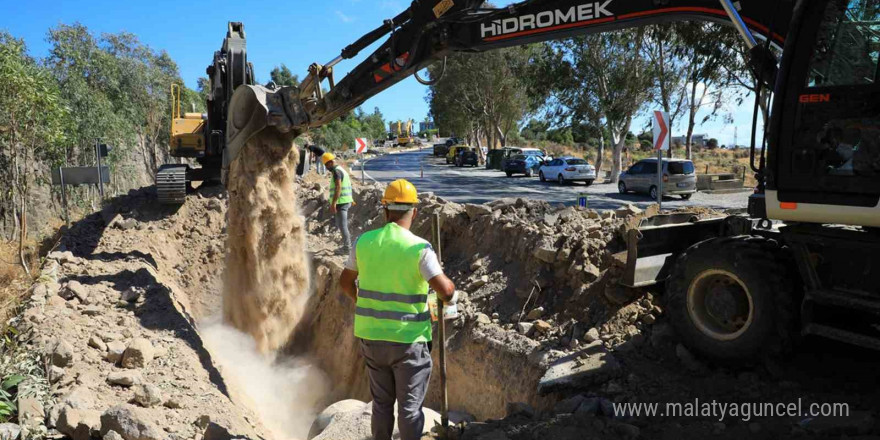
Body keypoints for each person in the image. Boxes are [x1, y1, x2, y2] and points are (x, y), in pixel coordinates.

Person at [339, 179, 457, 440]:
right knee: (409, 410)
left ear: (385, 210)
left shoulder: (364, 242)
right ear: (414, 212)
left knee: (381, 405)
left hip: (372, 338)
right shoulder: (419, 248)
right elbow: (446, 293)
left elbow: (345, 282)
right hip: (408, 341)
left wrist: (365, 303)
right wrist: (447, 285)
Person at [322, 152, 353, 254]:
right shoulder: (341, 169)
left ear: (330, 162)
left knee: (343, 225)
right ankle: (347, 246)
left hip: (341, 202)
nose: (326, 167)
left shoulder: (336, 172)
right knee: (341, 224)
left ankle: (347, 248)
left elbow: (338, 187)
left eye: (326, 165)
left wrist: (333, 203)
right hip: (345, 201)